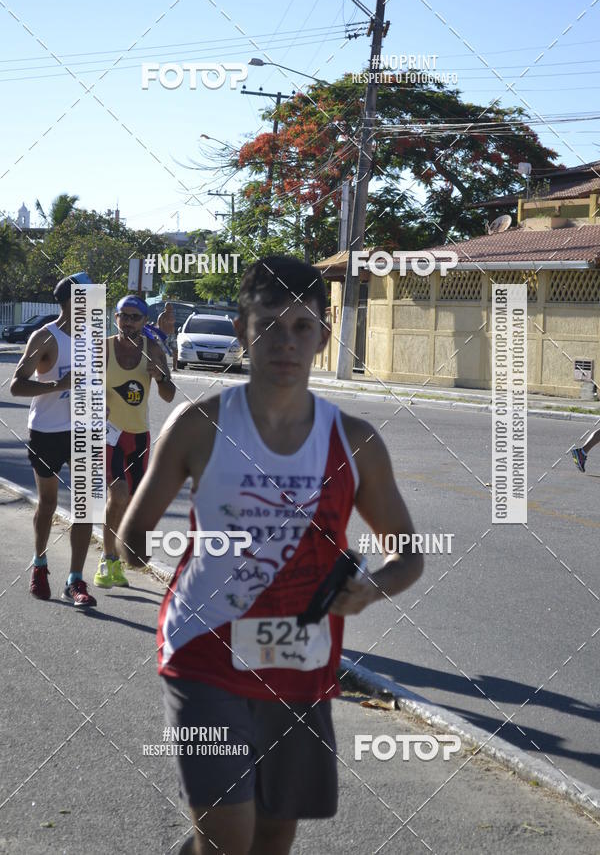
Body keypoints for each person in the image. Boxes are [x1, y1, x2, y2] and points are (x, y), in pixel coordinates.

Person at [117, 256, 423, 855]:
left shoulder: (355, 441)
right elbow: (133, 536)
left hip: (301, 667)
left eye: (303, 327)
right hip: (203, 653)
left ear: (324, 336)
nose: (286, 341)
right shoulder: (199, 425)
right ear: (241, 329)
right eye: (269, 325)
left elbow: (407, 555)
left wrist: (370, 588)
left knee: (271, 841)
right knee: (231, 843)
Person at [10, 272, 97, 607]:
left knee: (86, 505)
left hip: (83, 430)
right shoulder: (44, 338)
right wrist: (58, 387)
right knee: (47, 504)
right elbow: (17, 385)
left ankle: (75, 580)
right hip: (47, 431)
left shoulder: (92, 338)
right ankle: (40, 564)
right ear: (68, 302)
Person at [93, 295, 176, 590]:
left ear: (144, 321)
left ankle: (115, 557)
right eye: (122, 316)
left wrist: (161, 376)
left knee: (130, 502)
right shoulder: (102, 348)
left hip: (139, 436)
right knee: (117, 495)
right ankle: (106, 559)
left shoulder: (152, 349)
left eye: (134, 317)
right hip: (108, 433)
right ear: (114, 318)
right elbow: (80, 386)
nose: (127, 322)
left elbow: (168, 394)